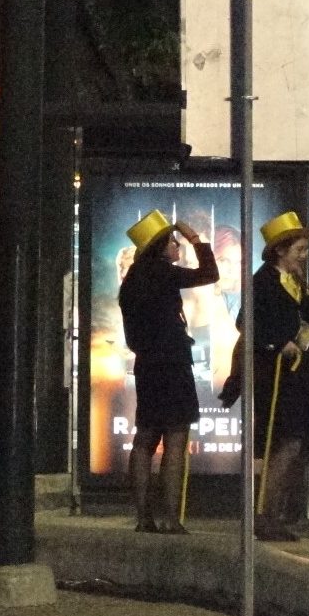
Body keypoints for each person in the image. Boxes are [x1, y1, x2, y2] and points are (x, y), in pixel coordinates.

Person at [219, 211, 309, 541]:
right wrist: (279, 342)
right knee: (283, 445)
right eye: (299, 250)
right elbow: (247, 323)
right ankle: (264, 515)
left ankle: (275, 512)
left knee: (296, 445)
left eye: (305, 249)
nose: (304, 256)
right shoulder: (262, 283)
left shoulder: (295, 283)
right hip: (275, 377)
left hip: (298, 378)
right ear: (279, 250)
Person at [117, 210, 218, 534]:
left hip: (147, 365)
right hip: (173, 364)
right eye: (174, 242)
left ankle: (144, 517)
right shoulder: (164, 273)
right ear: (161, 246)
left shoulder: (133, 278)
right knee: (176, 440)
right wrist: (196, 238)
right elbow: (209, 273)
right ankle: (171, 518)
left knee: (145, 438)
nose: (178, 247)